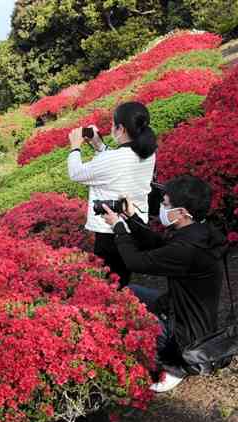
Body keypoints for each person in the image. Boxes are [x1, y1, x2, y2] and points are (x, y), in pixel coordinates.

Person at [100, 175, 228, 392]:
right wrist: (132, 218)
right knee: (129, 292)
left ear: (182, 213)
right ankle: (170, 354)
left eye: (166, 203)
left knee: (128, 327)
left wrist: (119, 230)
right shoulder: (200, 231)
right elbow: (161, 245)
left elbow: (135, 262)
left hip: (185, 331)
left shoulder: (188, 250)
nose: (161, 206)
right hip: (186, 312)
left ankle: (175, 366)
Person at [68, 101, 157, 288]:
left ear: (121, 128)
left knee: (111, 283)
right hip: (136, 224)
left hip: (110, 232)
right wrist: (99, 145)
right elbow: (115, 161)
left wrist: (75, 146)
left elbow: (76, 173)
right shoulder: (147, 151)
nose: (111, 128)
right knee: (122, 276)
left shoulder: (115, 158)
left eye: (113, 125)